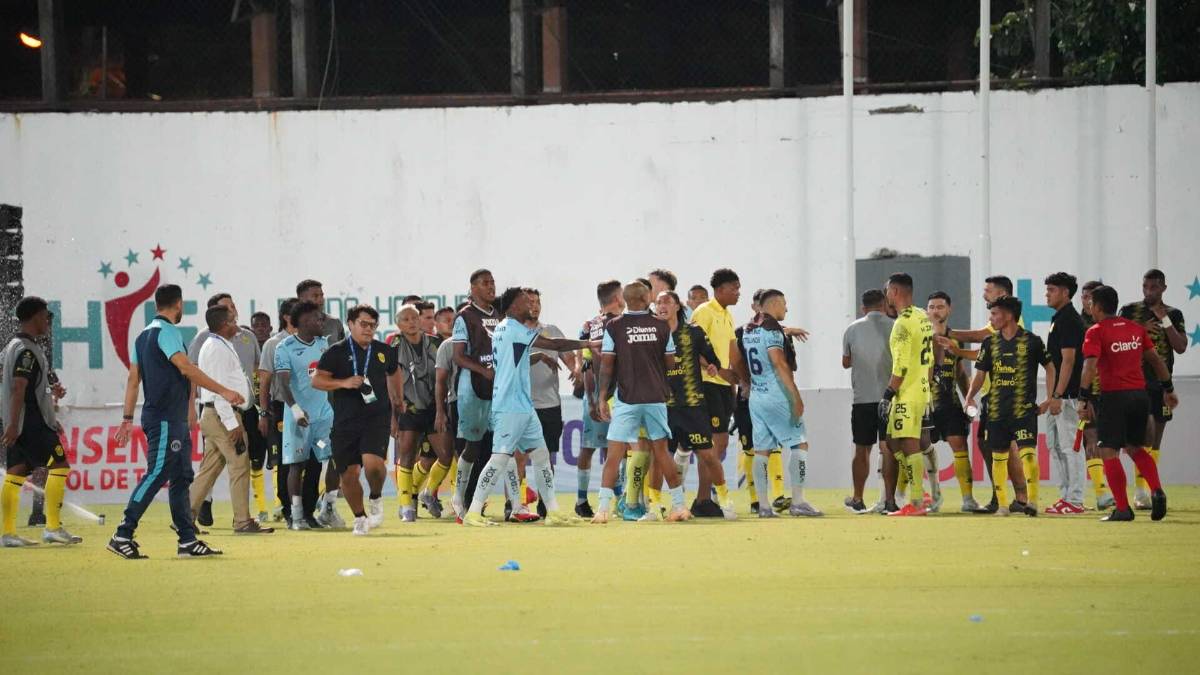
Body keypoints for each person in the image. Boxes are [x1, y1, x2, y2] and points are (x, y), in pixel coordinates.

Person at [107, 285, 243, 559]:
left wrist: (127, 418)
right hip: (165, 419)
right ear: (178, 304)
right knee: (157, 473)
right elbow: (185, 367)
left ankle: (187, 541)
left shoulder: (142, 336)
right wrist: (223, 391)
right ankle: (122, 534)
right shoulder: (167, 332)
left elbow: (133, 380)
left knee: (181, 477)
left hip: (170, 418)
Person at [460, 287, 594, 527]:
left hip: (523, 405)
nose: (530, 305)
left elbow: (516, 359)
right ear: (513, 307)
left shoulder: (504, 329)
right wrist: (588, 343)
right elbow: (554, 343)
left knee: (541, 456)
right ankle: (473, 512)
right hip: (509, 407)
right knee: (499, 459)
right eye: (525, 301)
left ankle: (553, 511)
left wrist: (538, 356)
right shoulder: (513, 329)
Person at [592, 283, 691, 524]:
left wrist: (602, 397)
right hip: (656, 397)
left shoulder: (614, 326)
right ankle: (679, 506)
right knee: (662, 452)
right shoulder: (661, 326)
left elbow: (607, 366)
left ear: (626, 300)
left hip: (627, 399)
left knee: (615, 453)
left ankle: (603, 510)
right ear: (646, 298)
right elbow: (670, 364)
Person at [1079, 284, 1176, 521]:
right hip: (1140, 396)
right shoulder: (1135, 329)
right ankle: (1157, 490)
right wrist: (1169, 389)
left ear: (1098, 307)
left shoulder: (1095, 331)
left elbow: (1089, 367)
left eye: (1091, 303)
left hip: (1114, 397)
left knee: (1108, 451)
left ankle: (1122, 508)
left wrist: (1083, 398)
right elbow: (1156, 360)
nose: (1089, 307)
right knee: (1135, 448)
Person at [312, 304, 401, 535]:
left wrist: (398, 400)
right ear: (350, 324)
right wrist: (343, 383)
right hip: (345, 421)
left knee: (374, 466)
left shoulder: (384, 351)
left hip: (376, 418)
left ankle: (376, 497)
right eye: (363, 324)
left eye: (373, 325)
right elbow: (317, 380)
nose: (368, 329)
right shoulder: (335, 352)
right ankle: (360, 517)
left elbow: (394, 372)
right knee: (349, 475)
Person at [732, 290, 822, 518]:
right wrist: (795, 396)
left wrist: (746, 382)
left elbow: (736, 359)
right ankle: (798, 501)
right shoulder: (771, 330)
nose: (786, 309)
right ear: (774, 304)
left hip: (757, 396)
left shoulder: (748, 329)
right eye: (784, 304)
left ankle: (763, 506)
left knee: (761, 451)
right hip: (777, 395)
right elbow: (779, 363)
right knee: (799, 444)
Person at [938, 275, 1022, 513]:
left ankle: (1019, 497)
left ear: (1002, 294)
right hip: (995, 394)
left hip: (1005, 394)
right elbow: (985, 352)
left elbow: (980, 338)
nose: (984, 294)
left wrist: (946, 332)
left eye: (988, 290)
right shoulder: (1000, 323)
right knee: (989, 444)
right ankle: (1005, 496)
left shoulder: (1007, 321)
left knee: (1006, 446)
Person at [1, 297, 81, 547]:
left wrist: (49, 392)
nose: (48, 321)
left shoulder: (13, 346)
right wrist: (15, 424)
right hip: (30, 422)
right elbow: (19, 387)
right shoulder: (26, 350)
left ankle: (7, 533)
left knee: (15, 473)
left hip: (20, 421)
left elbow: (24, 385)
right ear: (36, 316)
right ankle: (53, 528)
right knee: (60, 465)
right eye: (46, 316)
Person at [964, 296, 1055, 517]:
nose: (991, 318)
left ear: (1008, 315)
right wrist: (969, 397)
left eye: (994, 314)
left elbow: (1051, 368)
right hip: (996, 410)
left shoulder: (1032, 341)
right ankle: (1003, 506)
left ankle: (1032, 502)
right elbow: (980, 375)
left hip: (1023, 410)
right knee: (998, 457)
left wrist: (1050, 398)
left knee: (1028, 454)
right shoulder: (990, 343)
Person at [190, 305, 272, 534]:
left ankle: (184, 517)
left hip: (215, 414)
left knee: (209, 469)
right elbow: (219, 390)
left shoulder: (217, 344)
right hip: (222, 414)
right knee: (239, 465)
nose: (237, 324)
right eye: (233, 320)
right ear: (224, 324)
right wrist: (232, 423)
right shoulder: (216, 348)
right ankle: (243, 521)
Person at [656, 290, 737, 520]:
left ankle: (725, 501)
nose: (661, 306)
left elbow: (713, 359)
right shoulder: (653, 334)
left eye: (667, 301)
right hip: (663, 406)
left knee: (708, 455)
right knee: (659, 458)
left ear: (677, 306)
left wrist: (711, 366)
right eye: (658, 302)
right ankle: (655, 506)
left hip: (692, 404)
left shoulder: (693, 332)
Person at [1118, 269, 1187, 510]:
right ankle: (1140, 492)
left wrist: (1164, 320)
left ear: (1163, 288)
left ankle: (1150, 489)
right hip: (1134, 383)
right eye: (1145, 287)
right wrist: (1140, 330)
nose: (1148, 291)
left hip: (1161, 384)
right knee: (1141, 437)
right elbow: (1115, 339)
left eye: (1154, 287)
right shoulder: (1129, 311)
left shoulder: (1173, 314)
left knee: (1154, 442)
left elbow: (1180, 347)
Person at [275, 301, 338, 530]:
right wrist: (295, 410)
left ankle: (328, 508)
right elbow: (282, 384)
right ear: (303, 321)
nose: (322, 322)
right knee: (297, 464)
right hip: (299, 419)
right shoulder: (285, 347)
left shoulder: (323, 345)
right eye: (317, 318)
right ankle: (296, 516)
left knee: (333, 458)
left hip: (323, 418)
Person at [878, 273, 935, 517]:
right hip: (919, 389)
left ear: (895, 292)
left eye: (887, 291)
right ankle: (919, 490)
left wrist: (888, 394)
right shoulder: (922, 315)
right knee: (892, 440)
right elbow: (930, 357)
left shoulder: (902, 324)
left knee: (908, 442)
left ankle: (918, 500)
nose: (886, 296)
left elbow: (900, 366)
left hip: (907, 391)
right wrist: (927, 386)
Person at [391, 304, 451, 522]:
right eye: (406, 319)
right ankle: (406, 505)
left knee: (446, 455)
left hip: (434, 407)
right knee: (406, 456)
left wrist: (442, 409)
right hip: (408, 408)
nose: (412, 322)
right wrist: (393, 416)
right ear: (398, 325)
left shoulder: (435, 343)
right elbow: (389, 382)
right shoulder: (394, 347)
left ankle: (428, 491)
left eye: (414, 318)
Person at [450, 270, 500, 519]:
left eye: (492, 282)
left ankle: (480, 503)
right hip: (472, 388)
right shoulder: (465, 317)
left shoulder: (500, 315)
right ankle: (458, 498)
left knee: (498, 448)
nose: (491, 287)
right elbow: (458, 356)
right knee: (472, 446)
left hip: (497, 389)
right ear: (473, 288)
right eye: (485, 283)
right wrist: (483, 370)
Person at [840, 289, 896, 514]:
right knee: (888, 448)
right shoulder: (895, 326)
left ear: (863, 308)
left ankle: (858, 498)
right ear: (885, 305)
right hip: (890, 397)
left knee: (862, 449)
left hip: (863, 399)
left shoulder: (851, 329)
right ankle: (889, 500)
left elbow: (846, 362)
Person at [690, 269, 740, 514]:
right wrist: (719, 371)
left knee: (720, 444)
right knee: (712, 444)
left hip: (723, 386)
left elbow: (731, 350)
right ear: (720, 290)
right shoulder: (704, 312)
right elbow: (692, 346)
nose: (738, 293)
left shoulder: (727, 314)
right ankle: (702, 500)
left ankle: (704, 499)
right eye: (734, 288)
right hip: (706, 383)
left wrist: (737, 380)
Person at [295, 279, 345, 525]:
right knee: (304, 461)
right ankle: (296, 511)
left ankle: (329, 505)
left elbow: (345, 357)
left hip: (333, 401)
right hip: (304, 406)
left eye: (322, 294)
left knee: (335, 454)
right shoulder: (293, 332)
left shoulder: (334, 324)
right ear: (301, 299)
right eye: (314, 295)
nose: (320, 299)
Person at [923, 291, 978, 512]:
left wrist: (969, 399)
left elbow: (960, 373)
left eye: (940, 307)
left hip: (950, 403)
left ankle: (968, 499)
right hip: (925, 404)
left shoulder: (955, 340)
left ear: (949, 309)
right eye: (931, 307)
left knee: (960, 446)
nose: (935, 311)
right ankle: (933, 496)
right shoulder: (920, 336)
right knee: (919, 450)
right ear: (926, 311)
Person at [526, 290, 578, 518]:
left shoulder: (552, 331)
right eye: (530, 302)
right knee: (518, 457)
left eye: (537, 302)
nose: (535, 306)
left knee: (547, 457)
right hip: (522, 404)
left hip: (550, 405)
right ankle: (516, 504)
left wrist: (576, 369)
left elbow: (569, 357)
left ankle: (545, 502)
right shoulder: (513, 332)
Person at [576, 280, 624, 518]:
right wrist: (594, 400)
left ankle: (618, 499)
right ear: (617, 298)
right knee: (594, 448)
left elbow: (586, 365)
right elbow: (588, 365)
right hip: (611, 394)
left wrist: (593, 398)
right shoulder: (617, 324)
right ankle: (584, 500)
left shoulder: (590, 326)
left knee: (611, 448)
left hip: (604, 395)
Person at [1042, 273, 1088, 515]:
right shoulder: (1059, 318)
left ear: (1065, 292)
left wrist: (1058, 395)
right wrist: (1051, 396)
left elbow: (1068, 360)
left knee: (1071, 448)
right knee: (1056, 446)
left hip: (1068, 396)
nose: (1047, 294)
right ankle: (1066, 496)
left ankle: (1076, 499)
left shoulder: (1069, 319)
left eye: (1052, 289)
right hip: (1059, 395)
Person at [257, 298, 299, 523]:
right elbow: (264, 382)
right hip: (283, 408)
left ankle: (306, 507)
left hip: (310, 407)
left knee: (312, 458)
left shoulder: (311, 341)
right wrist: (264, 413)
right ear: (287, 317)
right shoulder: (273, 344)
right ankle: (287, 507)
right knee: (284, 460)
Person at [1079, 281, 1114, 510]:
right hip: (1089, 393)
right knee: (1091, 440)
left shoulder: (1109, 324)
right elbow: (1080, 365)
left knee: (1111, 443)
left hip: (1112, 393)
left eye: (1091, 298)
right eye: (1084, 297)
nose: (1087, 302)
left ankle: (1116, 491)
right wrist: (1085, 396)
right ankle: (1102, 493)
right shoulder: (1078, 325)